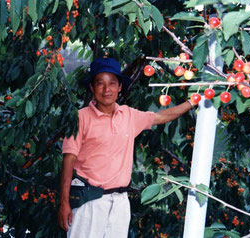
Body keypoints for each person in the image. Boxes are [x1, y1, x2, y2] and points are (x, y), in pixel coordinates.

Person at [58, 58, 194, 238]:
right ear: (92, 87)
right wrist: (64, 202)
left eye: (112, 83)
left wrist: (192, 102)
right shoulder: (80, 118)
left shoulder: (129, 115)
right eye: (101, 84)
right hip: (89, 201)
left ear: (119, 87)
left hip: (120, 202)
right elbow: (69, 160)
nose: (107, 90)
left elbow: (161, 117)